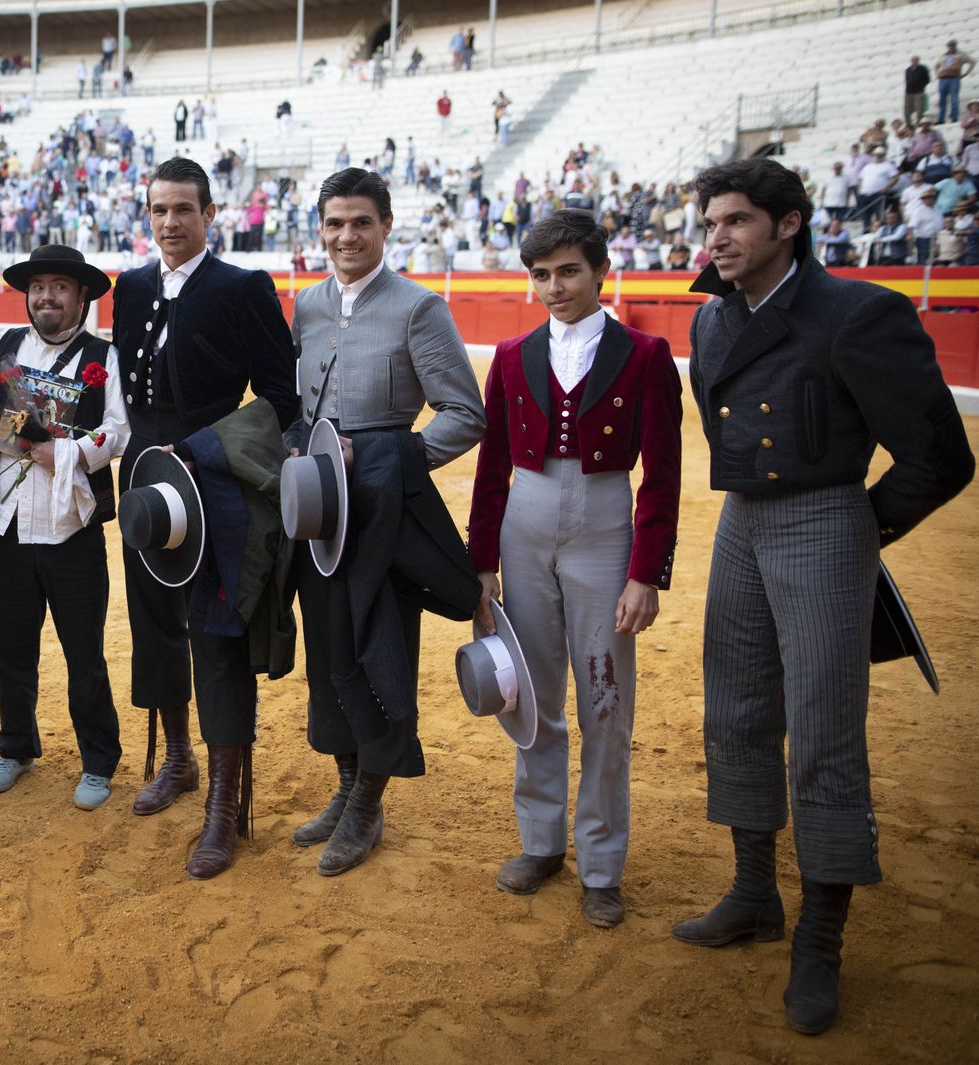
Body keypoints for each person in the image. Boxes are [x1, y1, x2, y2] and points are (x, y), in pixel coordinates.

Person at [675, 158, 973, 1035]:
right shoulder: (712, 320)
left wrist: (856, 528)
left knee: (823, 729)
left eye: (735, 221)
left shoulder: (858, 313)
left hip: (825, 517)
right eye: (710, 223)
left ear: (788, 224)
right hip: (742, 521)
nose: (717, 238)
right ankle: (754, 893)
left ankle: (821, 937)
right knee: (735, 706)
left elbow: (940, 457)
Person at [468, 210, 682, 928]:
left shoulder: (645, 354)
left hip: (604, 525)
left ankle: (601, 862)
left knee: (606, 701)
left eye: (568, 271)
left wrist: (645, 573)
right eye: (541, 275)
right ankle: (541, 841)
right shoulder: (511, 354)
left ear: (600, 272)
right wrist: (483, 563)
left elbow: (662, 474)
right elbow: (493, 466)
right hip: (525, 524)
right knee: (529, 694)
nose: (554, 287)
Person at [287, 167, 485, 876]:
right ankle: (346, 787)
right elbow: (300, 408)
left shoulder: (417, 308)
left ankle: (369, 803)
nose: (347, 236)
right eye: (335, 224)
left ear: (386, 226)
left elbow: (465, 414)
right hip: (320, 508)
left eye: (361, 223)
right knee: (327, 650)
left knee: (379, 647)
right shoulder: (307, 305)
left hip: (381, 515)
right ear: (321, 229)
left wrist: (385, 464)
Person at [111, 157, 297, 879]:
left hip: (214, 479)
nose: (170, 222)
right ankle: (178, 759)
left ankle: (224, 803)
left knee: (218, 635)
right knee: (155, 621)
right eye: (159, 210)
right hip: (144, 479)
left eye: (183, 209)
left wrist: (205, 450)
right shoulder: (131, 287)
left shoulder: (242, 287)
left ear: (211, 213)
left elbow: (279, 396)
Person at [0, 246, 128, 810]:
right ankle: (15, 748)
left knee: (84, 653)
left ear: (81, 297)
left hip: (71, 528)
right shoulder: (2, 349)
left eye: (60, 286)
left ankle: (98, 762)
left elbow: (118, 430)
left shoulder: (104, 357)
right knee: (9, 648)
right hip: (5, 526)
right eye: (38, 287)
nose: (47, 297)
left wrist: (65, 452)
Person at [934, 40, 973, 124]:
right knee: (942, 100)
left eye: (952, 46)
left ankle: (954, 117)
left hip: (954, 77)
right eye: (949, 46)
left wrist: (966, 73)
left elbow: (972, 62)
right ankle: (941, 119)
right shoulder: (944, 55)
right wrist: (937, 74)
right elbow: (936, 65)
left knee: (954, 98)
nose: (950, 48)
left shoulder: (961, 54)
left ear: (955, 46)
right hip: (943, 78)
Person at [904, 55, 931, 129]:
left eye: (915, 60)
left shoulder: (923, 69)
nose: (914, 62)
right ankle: (908, 124)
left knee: (919, 108)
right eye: (913, 60)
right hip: (909, 91)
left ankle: (919, 123)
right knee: (907, 109)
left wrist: (921, 85)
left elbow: (927, 79)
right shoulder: (908, 70)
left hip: (919, 91)